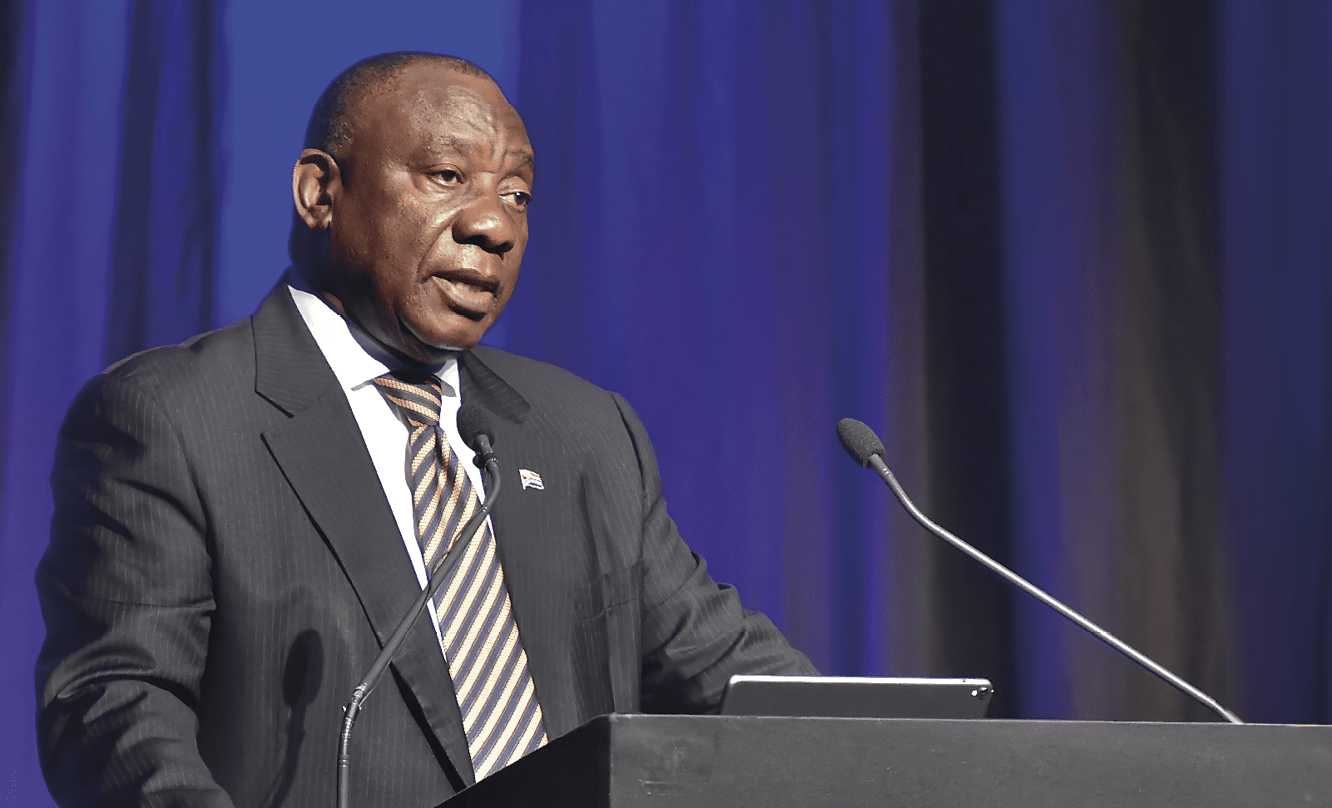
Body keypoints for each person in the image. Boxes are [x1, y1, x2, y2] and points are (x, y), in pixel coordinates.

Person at [35, 52, 815, 808]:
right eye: (448, 177)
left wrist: (904, 751)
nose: (493, 225)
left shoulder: (583, 432)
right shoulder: (173, 417)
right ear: (319, 192)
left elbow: (727, 675)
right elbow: (114, 705)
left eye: (517, 194)